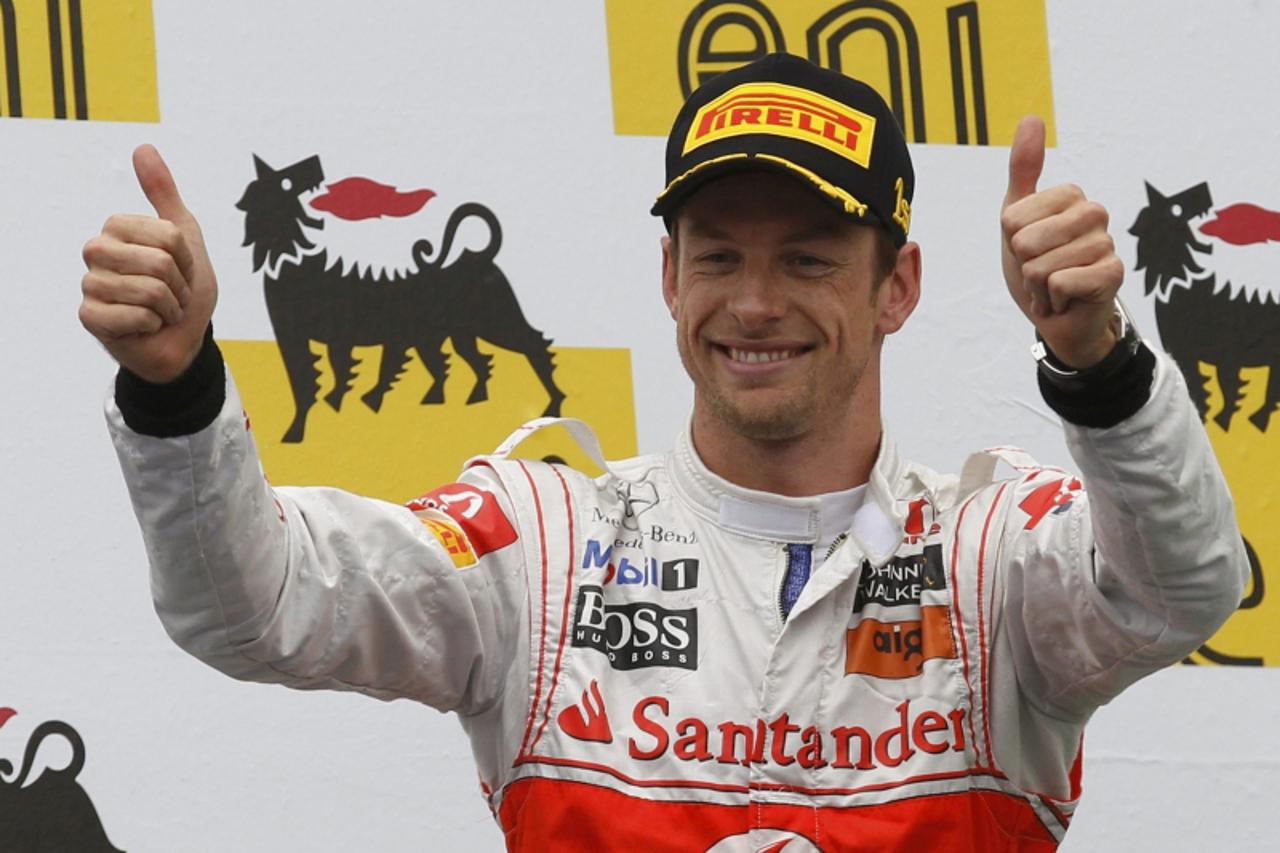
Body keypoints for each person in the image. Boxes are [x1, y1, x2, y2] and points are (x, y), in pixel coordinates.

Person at [80, 53, 1245, 851]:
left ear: (896, 287)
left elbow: (1184, 586)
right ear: (666, 277)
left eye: (805, 260)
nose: (752, 303)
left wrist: (1095, 361)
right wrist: (176, 385)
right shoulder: (544, 540)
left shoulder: (992, 549)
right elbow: (253, 607)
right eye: (717, 256)